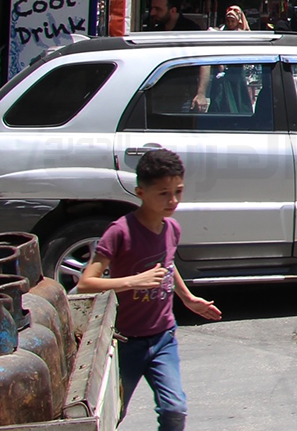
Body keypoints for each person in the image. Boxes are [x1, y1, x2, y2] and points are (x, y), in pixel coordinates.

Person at [76, 148, 220, 431]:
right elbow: (85, 283)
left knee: (174, 409)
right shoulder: (120, 232)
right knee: (112, 414)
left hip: (163, 338)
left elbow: (166, 265)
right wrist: (132, 281)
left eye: (178, 191)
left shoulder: (171, 229)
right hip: (125, 342)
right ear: (140, 192)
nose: (173, 200)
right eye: (163, 193)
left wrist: (188, 298)